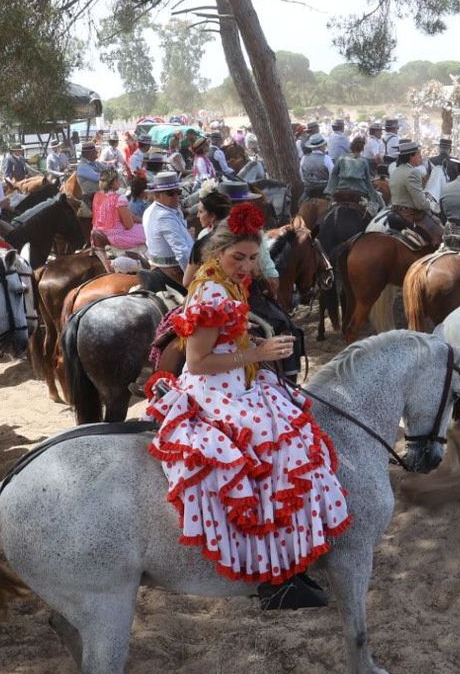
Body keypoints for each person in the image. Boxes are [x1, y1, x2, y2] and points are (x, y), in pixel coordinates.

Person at [143, 203, 339, 609]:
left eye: (253, 257)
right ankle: (271, 578)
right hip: (214, 390)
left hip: (241, 381)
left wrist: (254, 349)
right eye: (239, 258)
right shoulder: (211, 291)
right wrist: (256, 353)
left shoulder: (227, 283)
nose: (247, 266)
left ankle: (287, 564)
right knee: (270, 444)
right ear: (217, 253)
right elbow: (197, 361)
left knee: (293, 421)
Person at [387, 141, 443, 246]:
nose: (420, 157)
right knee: (442, 234)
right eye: (418, 154)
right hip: (410, 216)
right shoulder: (413, 172)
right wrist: (430, 204)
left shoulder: (396, 171)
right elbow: (420, 204)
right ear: (411, 156)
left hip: (394, 211)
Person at [143, 172, 193, 284]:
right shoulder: (164, 216)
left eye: (178, 192)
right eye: (171, 193)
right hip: (172, 269)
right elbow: (181, 251)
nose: (176, 197)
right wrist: (193, 278)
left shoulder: (154, 210)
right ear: (157, 195)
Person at [92, 167, 147, 250]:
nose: (119, 181)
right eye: (117, 180)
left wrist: (141, 220)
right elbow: (129, 225)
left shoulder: (97, 196)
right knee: (150, 233)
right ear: (112, 183)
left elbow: (128, 215)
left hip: (100, 233)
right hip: (116, 237)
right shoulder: (119, 198)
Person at [326, 136, 379, 209]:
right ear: (362, 148)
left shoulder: (341, 158)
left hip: (342, 189)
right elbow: (367, 181)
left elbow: (334, 175)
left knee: (329, 207)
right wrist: (373, 196)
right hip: (359, 191)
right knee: (376, 205)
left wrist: (330, 191)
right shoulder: (364, 161)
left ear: (351, 146)